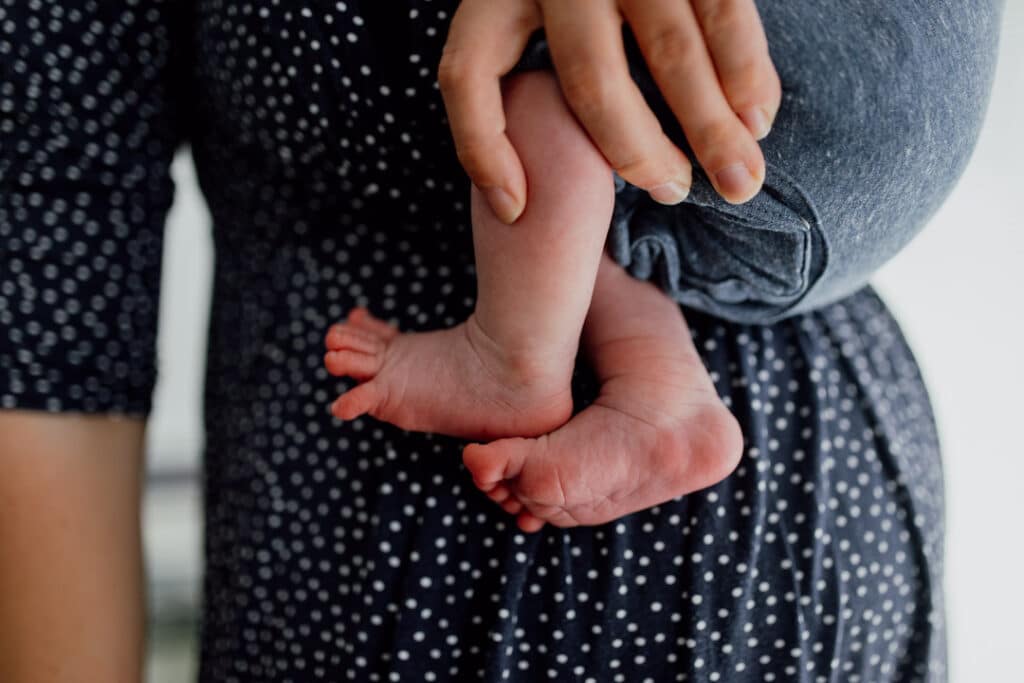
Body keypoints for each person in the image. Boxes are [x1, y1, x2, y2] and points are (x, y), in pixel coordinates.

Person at [0, 1, 1003, 681]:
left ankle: (512, 356)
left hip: (797, 150)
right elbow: (50, 246)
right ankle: (659, 388)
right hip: (798, 205)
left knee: (537, 62)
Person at [323, 67, 744, 534]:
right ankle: (666, 396)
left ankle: (507, 361)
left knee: (547, 89)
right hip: (791, 218)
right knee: (615, 232)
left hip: (760, 137)